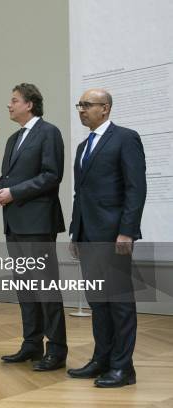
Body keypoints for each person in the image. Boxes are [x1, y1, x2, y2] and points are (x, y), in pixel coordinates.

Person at [67, 88, 146, 388]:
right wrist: (76, 231)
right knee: (98, 302)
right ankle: (102, 359)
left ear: (106, 108)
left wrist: (127, 230)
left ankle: (123, 368)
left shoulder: (126, 138)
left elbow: (135, 188)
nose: (82, 109)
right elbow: (81, 194)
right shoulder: (82, 146)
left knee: (119, 303)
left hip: (114, 235)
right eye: (80, 105)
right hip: (88, 235)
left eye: (88, 105)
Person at [0, 83, 67, 371]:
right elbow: (8, 177)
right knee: (25, 287)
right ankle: (32, 344)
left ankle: (57, 349)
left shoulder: (49, 133)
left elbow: (51, 175)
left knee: (46, 288)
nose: (9, 105)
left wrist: (14, 193)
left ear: (30, 104)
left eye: (14, 100)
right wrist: (0, 190)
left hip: (38, 222)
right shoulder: (12, 139)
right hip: (14, 222)